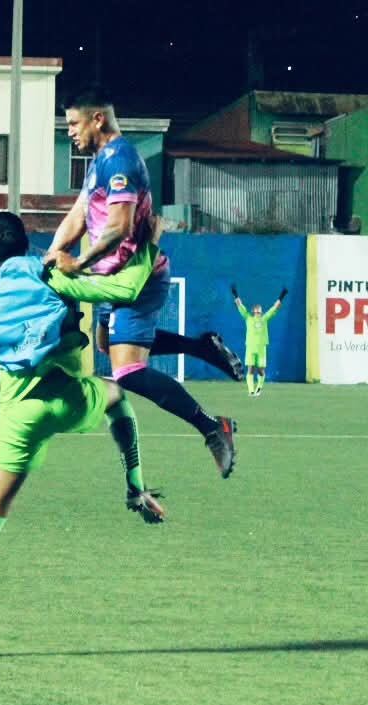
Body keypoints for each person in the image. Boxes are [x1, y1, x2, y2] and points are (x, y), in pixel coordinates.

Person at [0, 212, 165, 657]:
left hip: (18, 416)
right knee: (117, 397)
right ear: (27, 242)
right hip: (68, 400)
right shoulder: (52, 276)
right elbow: (124, 291)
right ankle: (135, 488)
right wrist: (147, 247)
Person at [45, 85, 237, 478]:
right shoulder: (99, 162)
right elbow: (78, 215)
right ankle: (201, 346)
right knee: (105, 343)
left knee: (127, 371)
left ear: (98, 119)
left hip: (136, 279)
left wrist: (78, 262)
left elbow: (120, 226)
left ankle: (213, 428)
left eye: (74, 124)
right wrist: (53, 253)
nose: (70, 132)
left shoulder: (121, 161)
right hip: (110, 277)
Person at [232, 285, 288, 397]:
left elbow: (275, 308)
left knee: (261, 370)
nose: (258, 310)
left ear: (261, 311)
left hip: (261, 347)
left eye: (259, 309)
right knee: (250, 368)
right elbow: (240, 305)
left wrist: (282, 295)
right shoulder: (248, 318)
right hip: (251, 347)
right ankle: (251, 391)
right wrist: (235, 294)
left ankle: (259, 388)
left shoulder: (264, 319)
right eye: (256, 309)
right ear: (253, 311)